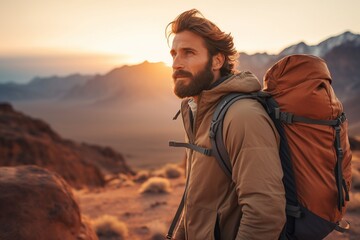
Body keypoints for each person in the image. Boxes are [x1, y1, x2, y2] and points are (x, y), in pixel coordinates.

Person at [166, 9, 286, 240]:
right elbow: (198, 202)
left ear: (217, 60)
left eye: (188, 53)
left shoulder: (242, 116)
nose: (176, 63)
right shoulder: (199, 113)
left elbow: (265, 213)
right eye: (173, 54)